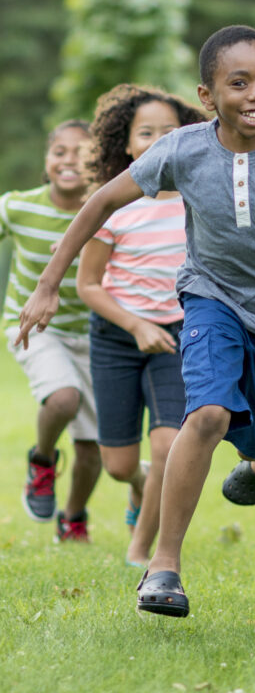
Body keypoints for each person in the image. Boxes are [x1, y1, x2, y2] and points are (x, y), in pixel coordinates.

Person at [16, 24, 255, 617]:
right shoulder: (182, 150)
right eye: (240, 83)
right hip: (210, 299)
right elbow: (100, 202)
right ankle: (163, 568)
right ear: (207, 97)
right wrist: (49, 283)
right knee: (205, 414)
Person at [77, 85, 207, 567]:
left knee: (171, 443)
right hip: (116, 336)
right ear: (127, 145)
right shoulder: (113, 204)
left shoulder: (199, 201)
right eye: (145, 133)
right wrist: (134, 325)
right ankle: (138, 485)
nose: (158, 140)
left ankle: (141, 550)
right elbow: (88, 286)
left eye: (169, 132)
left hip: (176, 336)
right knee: (119, 466)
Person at [1, 119, 102, 541]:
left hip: (96, 338)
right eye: (60, 151)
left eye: (82, 153)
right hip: (33, 328)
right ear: (47, 160)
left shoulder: (108, 209)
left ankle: (74, 518)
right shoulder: (19, 207)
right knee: (62, 398)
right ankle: (42, 461)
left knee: (91, 449)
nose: (69, 161)